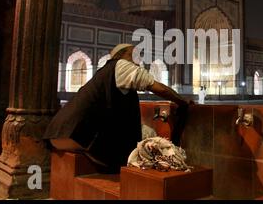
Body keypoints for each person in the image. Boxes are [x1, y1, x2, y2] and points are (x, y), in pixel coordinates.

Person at [44, 44, 192, 173]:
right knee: (148, 145)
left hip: (59, 135)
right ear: (123, 55)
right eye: (134, 55)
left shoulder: (106, 72)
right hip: (78, 136)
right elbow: (159, 88)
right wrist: (182, 101)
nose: (138, 59)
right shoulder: (121, 65)